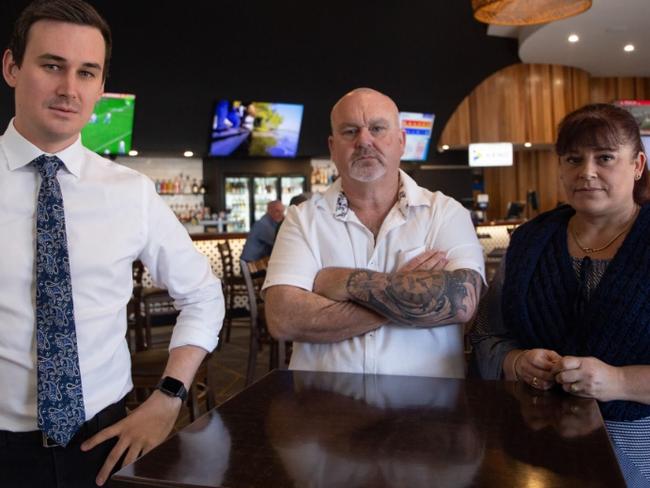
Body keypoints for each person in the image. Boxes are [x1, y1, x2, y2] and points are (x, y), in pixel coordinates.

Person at [0, 1, 223, 486]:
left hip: (104, 438)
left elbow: (204, 295)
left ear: (101, 87)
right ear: (12, 67)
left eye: (87, 73)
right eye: (52, 65)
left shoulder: (130, 192)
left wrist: (169, 397)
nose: (68, 88)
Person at [471, 103, 650, 487]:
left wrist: (618, 381)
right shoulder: (530, 242)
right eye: (573, 159)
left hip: (638, 453)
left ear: (637, 165)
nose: (587, 172)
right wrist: (516, 361)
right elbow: (487, 334)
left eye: (605, 157)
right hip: (533, 448)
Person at [263, 87, 485, 378]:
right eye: (350, 131)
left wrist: (342, 282)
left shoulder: (446, 212)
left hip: (429, 409)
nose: (364, 140)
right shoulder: (302, 219)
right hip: (322, 411)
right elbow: (283, 318)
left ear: (401, 141)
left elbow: (460, 302)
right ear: (333, 147)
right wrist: (408, 290)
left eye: (377, 128)